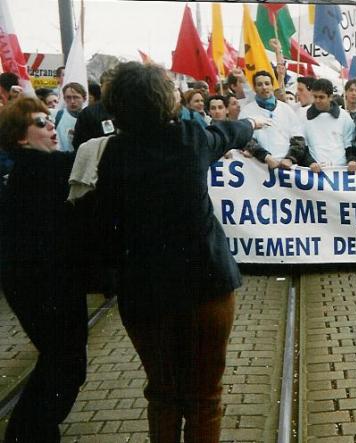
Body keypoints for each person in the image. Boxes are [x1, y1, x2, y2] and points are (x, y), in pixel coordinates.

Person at [94, 61, 270, 442]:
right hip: (205, 283)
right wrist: (251, 125)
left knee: (162, 393)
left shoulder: (109, 154)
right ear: (164, 101)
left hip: (143, 291)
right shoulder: (190, 139)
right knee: (205, 395)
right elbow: (226, 133)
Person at [0, 97, 87, 442]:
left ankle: (34, 430)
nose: (51, 126)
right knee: (65, 362)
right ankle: (28, 432)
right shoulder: (40, 168)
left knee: (62, 360)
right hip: (44, 284)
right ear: (20, 137)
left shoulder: (33, 167)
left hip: (42, 282)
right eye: (40, 122)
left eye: (50, 120)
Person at [239, 70, 304, 170]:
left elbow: (298, 138)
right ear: (255, 88)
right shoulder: (247, 111)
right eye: (260, 84)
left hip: (286, 167)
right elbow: (245, 139)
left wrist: (290, 159)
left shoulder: (286, 109)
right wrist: (266, 157)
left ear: (272, 86)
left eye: (267, 83)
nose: (264, 87)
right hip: (258, 168)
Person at [292, 78, 356, 173]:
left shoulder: (344, 116)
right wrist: (310, 162)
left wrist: (352, 160)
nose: (317, 100)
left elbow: (350, 144)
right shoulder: (302, 116)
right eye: (315, 96)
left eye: (321, 97)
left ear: (330, 97)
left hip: (341, 170)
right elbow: (302, 145)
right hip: (315, 172)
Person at [55, 82, 87, 151]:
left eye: (76, 97)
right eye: (68, 97)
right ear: (64, 98)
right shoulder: (57, 116)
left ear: (84, 98)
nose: (72, 101)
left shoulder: (90, 118)